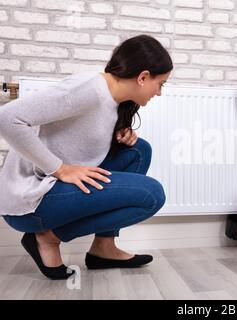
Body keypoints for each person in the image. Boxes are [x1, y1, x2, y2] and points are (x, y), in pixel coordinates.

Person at [0, 34, 172, 279]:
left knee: (138, 151)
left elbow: (81, 138)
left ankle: (104, 248)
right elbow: (7, 118)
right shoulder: (87, 88)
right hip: (30, 201)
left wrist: (118, 135)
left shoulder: (114, 100)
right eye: (161, 84)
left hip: (52, 193)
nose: (160, 93)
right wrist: (60, 169)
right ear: (143, 77)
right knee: (152, 195)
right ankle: (47, 238)